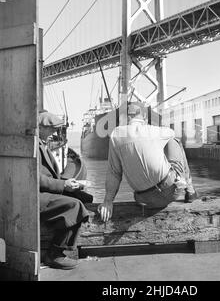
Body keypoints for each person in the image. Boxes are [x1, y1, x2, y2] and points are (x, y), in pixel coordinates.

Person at [99, 103, 198, 222]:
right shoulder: (155, 131)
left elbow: (114, 173)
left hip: (143, 200)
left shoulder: (116, 135)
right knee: (173, 141)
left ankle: (181, 184)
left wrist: (108, 201)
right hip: (171, 192)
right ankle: (190, 190)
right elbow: (172, 132)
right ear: (144, 117)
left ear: (126, 118)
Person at [39, 111, 90, 270]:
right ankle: (55, 253)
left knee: (84, 197)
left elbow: (47, 176)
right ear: (40, 127)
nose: (54, 133)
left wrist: (68, 183)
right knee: (74, 205)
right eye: (51, 129)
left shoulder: (40, 143)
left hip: (43, 191)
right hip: (35, 196)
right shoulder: (33, 145)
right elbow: (35, 178)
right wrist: (63, 185)